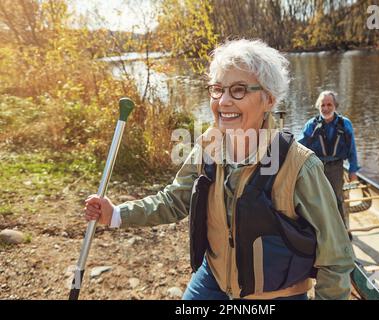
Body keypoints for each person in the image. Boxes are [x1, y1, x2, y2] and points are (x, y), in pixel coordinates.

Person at [84, 39, 355, 300]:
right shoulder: (207, 146)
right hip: (213, 278)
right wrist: (117, 214)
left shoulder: (301, 166)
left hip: (276, 293)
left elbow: (335, 258)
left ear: (269, 100)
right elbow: (174, 200)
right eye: (218, 89)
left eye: (238, 90)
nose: (223, 101)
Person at [298, 91, 360, 228]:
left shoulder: (345, 124)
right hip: (316, 168)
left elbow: (352, 150)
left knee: (337, 200)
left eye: (329, 105)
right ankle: (318, 230)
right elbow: (299, 149)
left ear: (335, 106)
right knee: (316, 200)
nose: (325, 108)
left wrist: (353, 171)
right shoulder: (311, 125)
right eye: (322, 105)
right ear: (318, 106)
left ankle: (341, 232)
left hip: (336, 168)